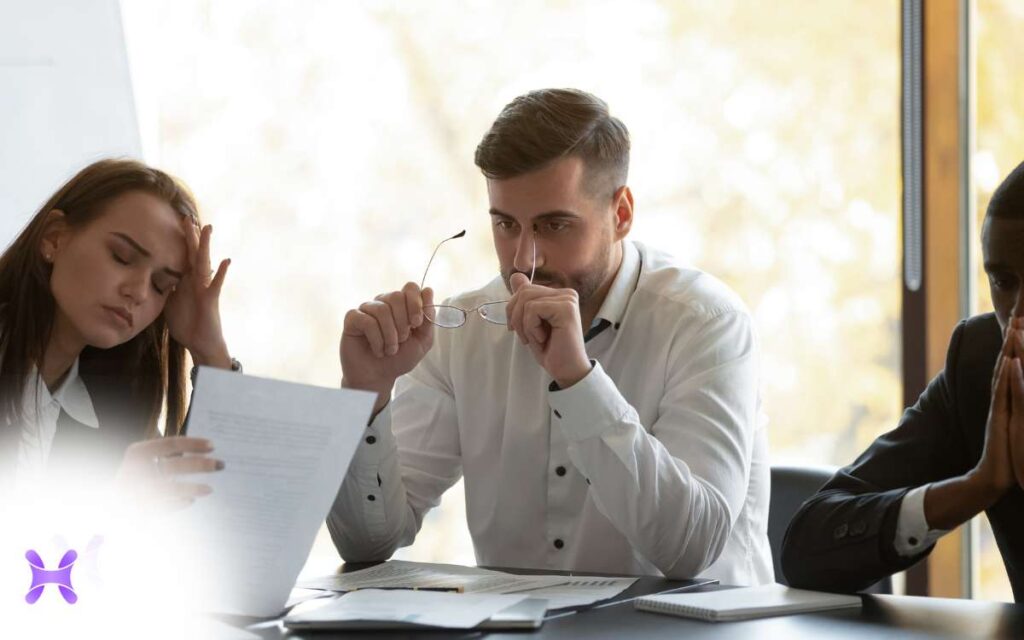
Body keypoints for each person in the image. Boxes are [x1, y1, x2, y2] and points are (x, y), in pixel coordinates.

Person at [329, 88, 773, 585]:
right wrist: (367, 395)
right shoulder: (458, 334)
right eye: (505, 224)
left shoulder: (706, 322)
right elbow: (367, 543)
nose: (522, 260)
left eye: (554, 225)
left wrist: (577, 381)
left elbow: (693, 548)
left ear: (621, 213)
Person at [781, 160, 1024, 602]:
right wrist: (976, 486)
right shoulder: (980, 361)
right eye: (1003, 282)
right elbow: (807, 547)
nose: (1018, 314)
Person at [0, 158, 237, 506]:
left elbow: (220, 519)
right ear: (54, 238)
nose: (139, 293)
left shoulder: (113, 408)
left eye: (161, 285)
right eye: (122, 257)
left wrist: (209, 351)